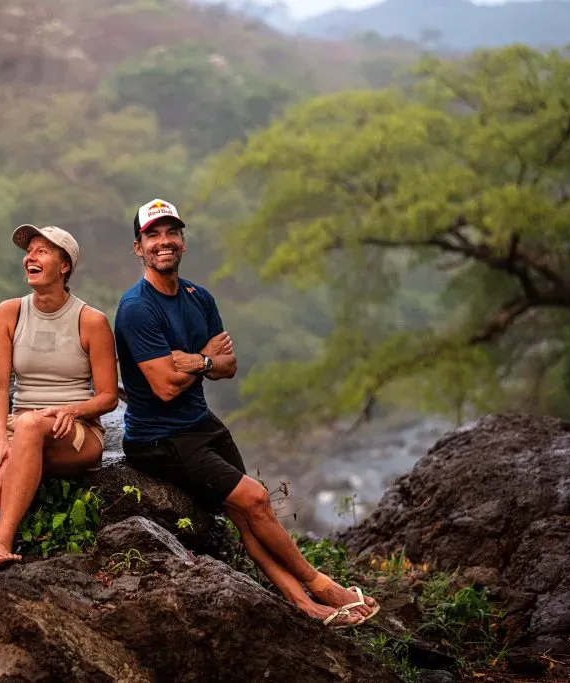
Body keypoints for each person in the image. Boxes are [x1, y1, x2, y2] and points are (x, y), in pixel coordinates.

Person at [113, 198, 380, 628]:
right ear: (138, 247)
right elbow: (163, 387)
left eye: (171, 232)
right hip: (159, 437)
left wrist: (190, 361)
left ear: (182, 240)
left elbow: (229, 368)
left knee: (249, 512)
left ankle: (304, 606)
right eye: (153, 235)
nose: (164, 242)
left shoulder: (200, 298)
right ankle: (322, 586)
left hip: (200, 422)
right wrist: (204, 360)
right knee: (255, 497)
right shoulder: (136, 309)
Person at [0, 225, 119, 594]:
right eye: (30, 251)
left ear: (65, 266)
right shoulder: (10, 312)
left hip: (76, 434)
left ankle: (1, 542)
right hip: (22, 428)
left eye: (43, 251)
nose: (31, 257)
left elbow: (108, 398)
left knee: (27, 425)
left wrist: (70, 410)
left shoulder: (91, 321)